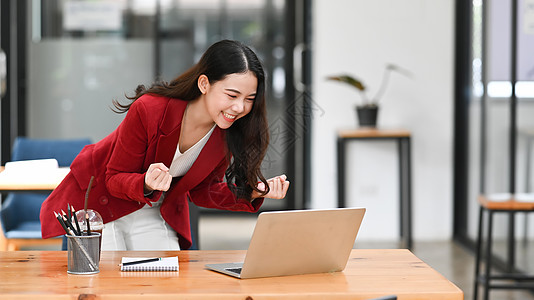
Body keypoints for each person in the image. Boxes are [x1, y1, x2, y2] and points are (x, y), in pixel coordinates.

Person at [40, 40, 290, 250]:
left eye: (249, 99)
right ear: (204, 84)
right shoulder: (150, 109)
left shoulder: (225, 132)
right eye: (232, 95)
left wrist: (254, 191)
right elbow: (114, 178)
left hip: (154, 206)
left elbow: (205, 191)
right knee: (104, 283)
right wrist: (146, 183)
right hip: (101, 200)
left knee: (166, 280)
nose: (240, 108)